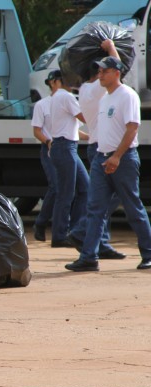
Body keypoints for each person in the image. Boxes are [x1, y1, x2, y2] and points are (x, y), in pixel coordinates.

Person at [65, 56, 151, 271]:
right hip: (102, 158)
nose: (100, 75)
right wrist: (105, 156)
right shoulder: (105, 99)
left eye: (104, 71)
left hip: (123, 159)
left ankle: (148, 254)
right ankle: (88, 258)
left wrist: (117, 156)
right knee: (95, 209)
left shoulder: (127, 96)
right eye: (99, 71)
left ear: (116, 73)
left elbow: (132, 129)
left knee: (133, 208)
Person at [68, 39, 125, 260]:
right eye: (103, 70)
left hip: (96, 146)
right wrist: (111, 48)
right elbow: (116, 65)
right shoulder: (95, 90)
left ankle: (101, 242)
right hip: (102, 149)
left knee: (103, 195)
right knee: (110, 196)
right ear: (99, 73)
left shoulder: (85, 90)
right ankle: (82, 230)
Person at [48, 73, 88, 248]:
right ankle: (60, 236)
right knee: (67, 193)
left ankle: (73, 231)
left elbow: (73, 127)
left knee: (83, 188)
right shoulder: (66, 96)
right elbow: (84, 118)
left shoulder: (57, 97)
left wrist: (94, 136)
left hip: (66, 146)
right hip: (65, 147)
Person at [31, 70, 59, 241]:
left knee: (75, 188)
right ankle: (40, 223)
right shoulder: (43, 105)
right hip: (50, 149)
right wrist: (49, 142)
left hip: (67, 149)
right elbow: (37, 130)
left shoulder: (70, 101)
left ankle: (65, 226)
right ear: (53, 82)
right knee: (56, 186)